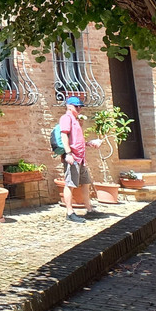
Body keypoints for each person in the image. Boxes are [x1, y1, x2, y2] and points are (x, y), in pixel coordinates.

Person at [60, 95, 102, 223]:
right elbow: (64, 136)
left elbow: (77, 140)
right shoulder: (66, 118)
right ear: (69, 106)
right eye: (77, 106)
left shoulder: (76, 120)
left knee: (85, 183)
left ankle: (89, 210)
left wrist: (89, 143)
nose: (79, 109)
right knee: (70, 184)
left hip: (81, 158)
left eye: (80, 107)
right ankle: (70, 212)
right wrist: (68, 153)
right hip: (73, 157)